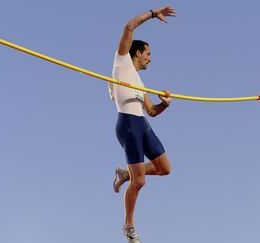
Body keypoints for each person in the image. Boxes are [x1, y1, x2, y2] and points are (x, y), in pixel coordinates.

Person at [109, 6, 176, 243]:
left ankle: (125, 173)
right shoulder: (121, 63)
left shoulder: (139, 81)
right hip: (128, 124)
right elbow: (129, 26)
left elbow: (151, 111)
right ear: (136, 53)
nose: (150, 57)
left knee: (164, 168)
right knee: (140, 181)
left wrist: (164, 104)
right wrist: (152, 13)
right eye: (147, 53)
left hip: (143, 124)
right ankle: (128, 226)